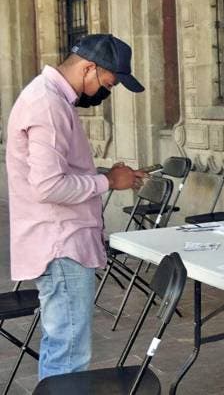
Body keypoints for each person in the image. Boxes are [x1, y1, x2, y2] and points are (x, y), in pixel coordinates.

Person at [6, 34, 148, 380]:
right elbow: (49, 186)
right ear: (89, 68)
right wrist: (108, 182)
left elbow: (58, 172)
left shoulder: (50, 98)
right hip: (61, 245)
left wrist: (106, 175)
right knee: (68, 356)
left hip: (61, 241)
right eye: (108, 83)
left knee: (62, 348)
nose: (106, 92)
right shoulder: (47, 104)